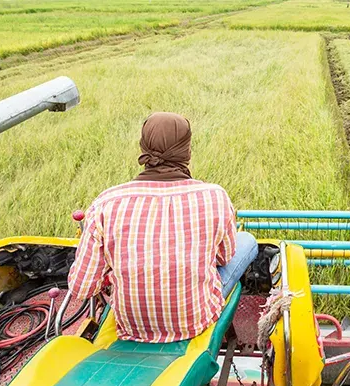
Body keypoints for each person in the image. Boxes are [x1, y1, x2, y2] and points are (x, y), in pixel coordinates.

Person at [68, 112, 257, 343]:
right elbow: (223, 257)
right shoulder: (214, 196)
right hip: (195, 321)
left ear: (143, 148)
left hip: (132, 326)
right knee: (247, 240)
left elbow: (81, 288)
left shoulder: (106, 203)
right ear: (186, 152)